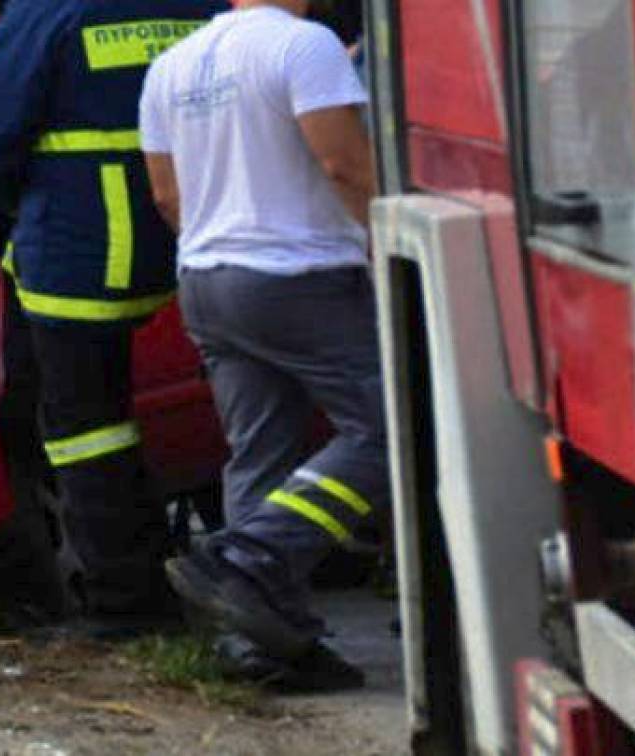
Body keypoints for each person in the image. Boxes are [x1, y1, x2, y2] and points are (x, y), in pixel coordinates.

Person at [0, 0, 227, 638]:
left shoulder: (55, 10)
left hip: (82, 246)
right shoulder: (203, 8)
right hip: (198, 237)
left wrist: (25, 209)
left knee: (84, 429)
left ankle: (124, 606)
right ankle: (168, 570)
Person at [139, 0, 387, 683]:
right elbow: (345, 165)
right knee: (388, 429)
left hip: (208, 279)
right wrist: (389, 248)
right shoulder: (306, 46)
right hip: (300, 277)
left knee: (260, 452)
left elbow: (165, 194)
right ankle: (252, 554)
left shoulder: (172, 65)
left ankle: (260, 645)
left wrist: (225, 237)